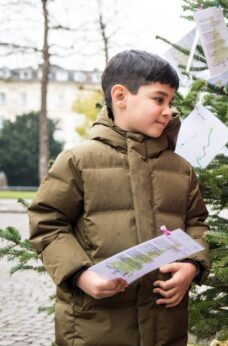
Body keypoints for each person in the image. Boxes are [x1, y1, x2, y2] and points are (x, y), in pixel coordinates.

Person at [28, 50, 209, 346]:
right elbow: (47, 224)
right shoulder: (78, 161)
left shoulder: (180, 169)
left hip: (165, 325)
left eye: (171, 102)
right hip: (95, 327)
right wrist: (81, 274)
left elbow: (197, 224)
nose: (169, 111)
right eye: (159, 99)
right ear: (121, 96)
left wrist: (192, 266)